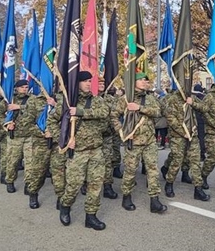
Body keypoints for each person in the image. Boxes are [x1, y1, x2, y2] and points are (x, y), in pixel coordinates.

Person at [59, 71, 114, 230]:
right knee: (74, 184)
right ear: (77, 83)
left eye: (90, 81)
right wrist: (64, 141)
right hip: (78, 152)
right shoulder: (68, 102)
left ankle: (91, 216)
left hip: (96, 150)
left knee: (96, 185)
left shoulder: (96, 100)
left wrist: (81, 112)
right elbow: (52, 122)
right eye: (85, 81)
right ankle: (65, 206)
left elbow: (104, 113)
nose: (89, 84)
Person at [114, 72, 167, 214]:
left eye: (146, 80)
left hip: (149, 141)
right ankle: (126, 196)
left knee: (153, 170)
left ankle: (154, 200)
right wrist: (121, 131)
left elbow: (158, 112)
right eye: (141, 80)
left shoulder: (150, 98)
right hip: (133, 141)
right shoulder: (124, 99)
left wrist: (140, 108)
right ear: (133, 82)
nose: (144, 82)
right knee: (130, 171)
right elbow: (114, 115)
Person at [161, 84, 210, 201]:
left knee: (195, 162)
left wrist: (193, 103)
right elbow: (170, 118)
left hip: (193, 135)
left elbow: (205, 108)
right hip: (178, 136)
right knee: (177, 160)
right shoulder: (172, 99)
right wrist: (182, 132)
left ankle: (198, 189)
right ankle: (169, 183)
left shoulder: (192, 97)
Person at [3, 80, 42, 195]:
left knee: (30, 163)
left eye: (26, 87)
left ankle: (28, 184)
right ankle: (10, 181)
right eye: (22, 87)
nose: (24, 89)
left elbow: (37, 109)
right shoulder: (10, 99)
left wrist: (19, 107)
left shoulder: (32, 99)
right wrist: (6, 123)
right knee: (13, 161)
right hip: (15, 136)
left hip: (30, 136)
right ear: (16, 88)